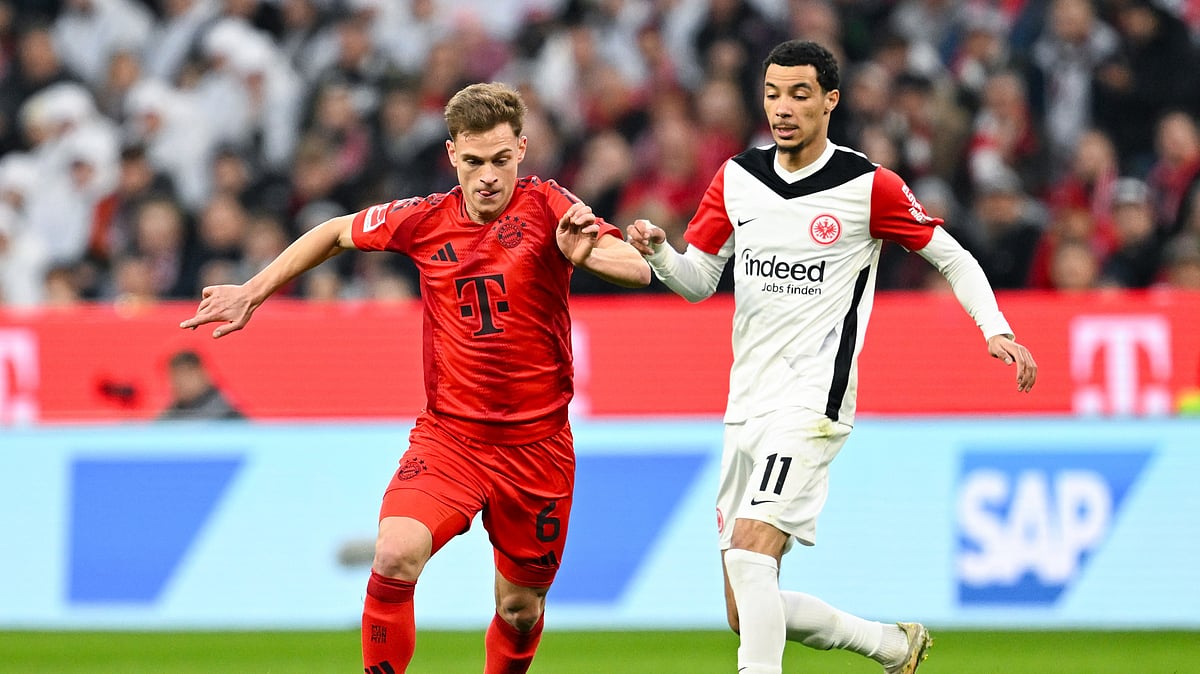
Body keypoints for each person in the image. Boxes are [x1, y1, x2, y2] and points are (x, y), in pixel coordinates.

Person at [179, 82, 650, 673]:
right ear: (452, 154)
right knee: (395, 553)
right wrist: (253, 291)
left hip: (538, 449)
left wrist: (585, 254)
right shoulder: (424, 219)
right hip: (451, 438)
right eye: (474, 161)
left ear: (522, 150)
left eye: (501, 160)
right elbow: (333, 231)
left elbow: (633, 267)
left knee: (521, 609)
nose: (487, 176)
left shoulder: (550, 205)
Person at [626, 40, 1037, 674]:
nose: (782, 108)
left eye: (798, 94)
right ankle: (892, 646)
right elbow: (700, 281)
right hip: (746, 404)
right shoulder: (737, 178)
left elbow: (951, 254)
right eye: (772, 94)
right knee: (744, 604)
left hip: (814, 400)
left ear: (830, 100)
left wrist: (995, 327)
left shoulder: (869, 186)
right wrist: (659, 253)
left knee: (752, 553)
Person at [157, 349, 244, 420]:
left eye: (187, 374)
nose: (179, 383)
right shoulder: (171, 414)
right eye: (174, 377)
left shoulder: (225, 412)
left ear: (202, 374)